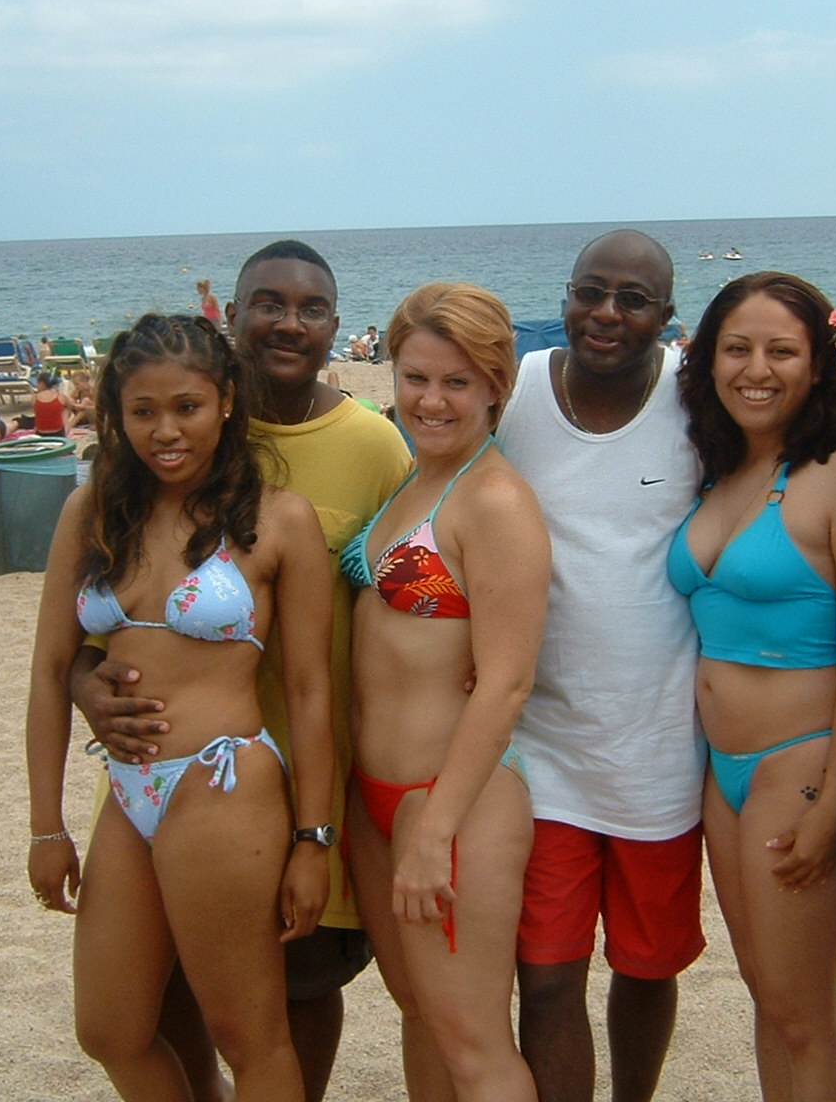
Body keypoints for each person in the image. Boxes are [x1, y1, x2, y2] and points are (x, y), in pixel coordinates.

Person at [71, 240, 411, 1102]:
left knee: (301, 988)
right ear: (231, 317)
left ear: (336, 325)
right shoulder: (178, 427)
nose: (288, 323)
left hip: (306, 772)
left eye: (311, 308)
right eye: (268, 303)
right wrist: (83, 682)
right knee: (157, 996)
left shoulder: (375, 447)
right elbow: (106, 607)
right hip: (159, 769)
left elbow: (418, 590)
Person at [26, 313, 335, 1102]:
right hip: (127, 792)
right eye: (143, 411)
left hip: (222, 785)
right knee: (111, 1030)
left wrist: (314, 839)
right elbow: (51, 670)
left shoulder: (280, 519)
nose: (165, 431)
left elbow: (309, 691)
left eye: (186, 407)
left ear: (227, 400)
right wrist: (46, 826)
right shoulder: (93, 512)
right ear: (117, 415)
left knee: (249, 1035)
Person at [494, 230, 706, 1102]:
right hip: (541, 748)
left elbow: (813, 439)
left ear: (668, 315)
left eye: (634, 299)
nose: (607, 314)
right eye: (591, 291)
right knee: (545, 975)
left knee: (648, 969)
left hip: (661, 749)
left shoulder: (698, 398)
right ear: (567, 295)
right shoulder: (517, 390)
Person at [669, 272, 836, 1100]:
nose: (755, 369)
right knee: (767, 996)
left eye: (781, 351)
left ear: (819, 364)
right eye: (736, 348)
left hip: (797, 763)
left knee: (805, 1012)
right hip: (720, 774)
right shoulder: (718, 470)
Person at [343, 283, 549, 1099]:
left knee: (475, 1046)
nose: (431, 401)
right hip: (377, 796)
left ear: (496, 387)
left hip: (454, 801)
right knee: (421, 1015)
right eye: (416, 378)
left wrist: (434, 833)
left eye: (456, 383)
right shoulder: (414, 481)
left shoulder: (494, 499)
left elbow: (507, 681)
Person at [32, 370, 71, 436]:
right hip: (58, 433)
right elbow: (70, 407)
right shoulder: (61, 397)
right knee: (65, 409)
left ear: (41, 383)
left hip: (40, 433)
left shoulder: (35, 397)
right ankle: (66, 429)